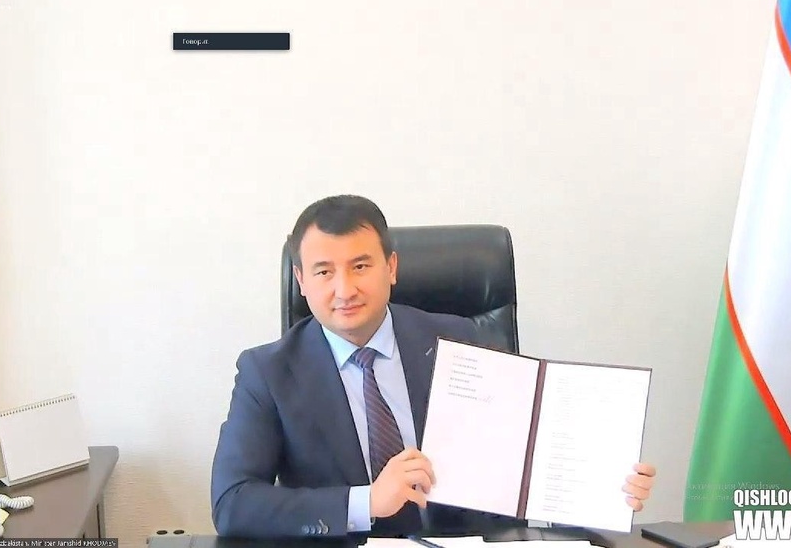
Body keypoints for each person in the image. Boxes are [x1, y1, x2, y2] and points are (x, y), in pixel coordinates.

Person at [210, 195, 657, 539]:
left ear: (391, 267)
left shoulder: (462, 339)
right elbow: (232, 503)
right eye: (324, 272)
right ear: (302, 281)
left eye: (361, 266)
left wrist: (600, 486)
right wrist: (366, 502)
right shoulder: (267, 372)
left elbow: (524, 465)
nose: (344, 289)